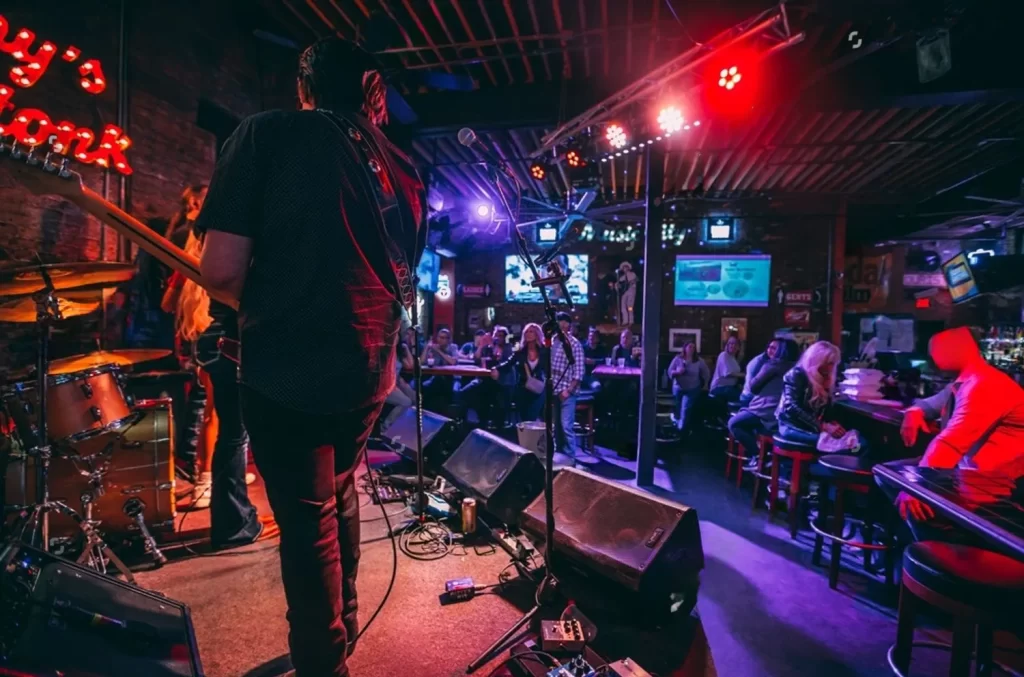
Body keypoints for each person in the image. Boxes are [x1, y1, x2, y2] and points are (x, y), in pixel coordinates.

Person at [194, 37, 425, 677]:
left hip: (289, 366)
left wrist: (277, 297)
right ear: (373, 92)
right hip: (370, 364)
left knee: (305, 523)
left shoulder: (264, 134)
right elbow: (400, 279)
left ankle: (325, 663)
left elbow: (220, 270)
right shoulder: (403, 169)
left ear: (305, 91)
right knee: (339, 489)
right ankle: (343, 627)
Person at [161, 231, 261, 545]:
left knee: (220, 423)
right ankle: (232, 519)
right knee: (229, 429)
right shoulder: (235, 255)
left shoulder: (193, 260)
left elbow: (166, 304)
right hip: (227, 341)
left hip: (205, 340)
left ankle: (226, 507)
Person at [894, 327, 1024, 534]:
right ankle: (907, 553)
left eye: (936, 350)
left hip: (997, 491)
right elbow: (931, 403)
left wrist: (917, 487)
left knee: (908, 494)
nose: (932, 357)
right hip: (969, 478)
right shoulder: (967, 381)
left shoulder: (986, 383)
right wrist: (914, 412)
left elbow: (950, 442)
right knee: (889, 473)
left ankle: (937, 557)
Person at [775, 341, 863, 452]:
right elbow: (791, 407)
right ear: (817, 360)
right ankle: (818, 468)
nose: (831, 367)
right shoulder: (796, 374)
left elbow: (824, 410)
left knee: (855, 441)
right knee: (837, 445)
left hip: (812, 426)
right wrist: (823, 426)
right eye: (829, 363)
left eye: (833, 363)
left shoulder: (824, 378)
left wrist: (831, 422)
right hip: (792, 426)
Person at [728, 339, 799, 467]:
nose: (771, 351)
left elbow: (753, 387)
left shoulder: (772, 365)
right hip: (786, 415)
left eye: (775, 348)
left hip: (766, 409)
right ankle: (770, 455)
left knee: (734, 423)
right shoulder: (798, 368)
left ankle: (758, 455)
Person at [551, 312, 587, 462]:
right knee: (555, 427)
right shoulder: (551, 341)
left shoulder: (574, 344)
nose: (562, 325)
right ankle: (557, 456)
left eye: (565, 322)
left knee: (566, 426)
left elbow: (579, 372)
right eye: (560, 322)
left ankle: (571, 458)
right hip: (552, 389)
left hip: (567, 390)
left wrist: (569, 390)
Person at [492, 323, 548, 422]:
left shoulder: (544, 351)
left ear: (537, 334)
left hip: (539, 389)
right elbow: (508, 364)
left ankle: (533, 437)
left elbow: (550, 368)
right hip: (523, 389)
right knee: (524, 419)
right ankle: (524, 437)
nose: (528, 334)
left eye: (531, 331)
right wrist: (496, 368)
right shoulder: (520, 351)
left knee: (532, 417)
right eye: (526, 332)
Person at [668, 341, 710, 438]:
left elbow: (706, 373)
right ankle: (677, 427)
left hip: (692, 389)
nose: (692, 349)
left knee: (685, 408)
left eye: (693, 347)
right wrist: (677, 372)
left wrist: (706, 385)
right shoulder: (678, 359)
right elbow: (670, 372)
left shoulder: (698, 361)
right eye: (690, 347)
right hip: (678, 388)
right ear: (685, 348)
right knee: (678, 409)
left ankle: (681, 431)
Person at [740, 339, 780, 405]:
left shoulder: (769, 361)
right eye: (769, 347)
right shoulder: (761, 362)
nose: (769, 350)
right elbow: (753, 387)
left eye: (773, 348)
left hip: (754, 396)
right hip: (749, 398)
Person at [710, 335, 744, 402]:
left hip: (729, 387)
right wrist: (745, 375)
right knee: (743, 398)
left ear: (739, 347)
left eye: (735, 344)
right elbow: (728, 373)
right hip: (719, 387)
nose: (733, 345)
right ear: (727, 345)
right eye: (731, 343)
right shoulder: (723, 355)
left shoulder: (734, 359)